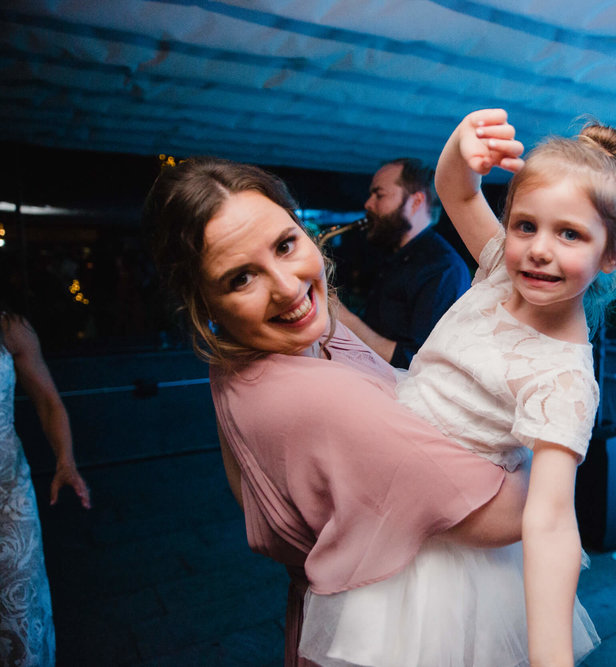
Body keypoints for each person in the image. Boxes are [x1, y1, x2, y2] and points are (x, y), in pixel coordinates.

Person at [300, 108, 616, 666]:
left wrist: (551, 657)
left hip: (440, 551)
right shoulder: (496, 267)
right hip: (393, 483)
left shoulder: (564, 377)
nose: (539, 248)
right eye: (525, 225)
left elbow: (551, 518)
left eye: (570, 234)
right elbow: (456, 192)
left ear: (613, 253)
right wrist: (462, 145)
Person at [145, 157, 531, 667]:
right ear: (204, 305)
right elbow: (511, 514)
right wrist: (545, 426)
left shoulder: (292, 342)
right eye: (241, 278)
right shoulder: (319, 397)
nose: (286, 286)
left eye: (285, 245)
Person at [0, 309, 91, 666]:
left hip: (8, 500)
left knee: (20, 621)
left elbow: (49, 402)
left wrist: (65, 461)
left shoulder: (10, 328)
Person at [334, 157, 471, 368]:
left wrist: (345, 320)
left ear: (416, 202)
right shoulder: (395, 254)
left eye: (379, 194)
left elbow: (419, 363)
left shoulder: (444, 268)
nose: (368, 204)